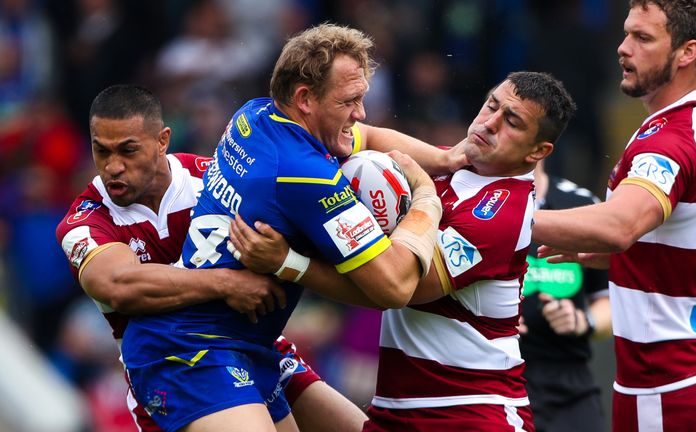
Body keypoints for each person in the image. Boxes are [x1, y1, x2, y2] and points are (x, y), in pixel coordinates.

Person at [120, 23, 465, 432]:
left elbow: (368, 136)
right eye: (350, 101)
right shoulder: (307, 177)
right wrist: (426, 199)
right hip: (191, 347)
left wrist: (447, 160)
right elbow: (393, 287)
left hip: (247, 344)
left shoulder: (255, 115)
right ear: (305, 98)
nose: (361, 113)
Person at [231, 71, 578, 431]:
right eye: (491, 105)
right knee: (275, 369)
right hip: (397, 411)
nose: (489, 123)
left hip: (471, 413)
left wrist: (289, 262)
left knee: (281, 374)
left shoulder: (501, 211)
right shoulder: (446, 163)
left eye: (512, 121)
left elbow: (399, 287)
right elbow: (363, 136)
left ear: (538, 151)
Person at [55, 84, 367, 432]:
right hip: (175, 362)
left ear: (162, 140)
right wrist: (226, 283)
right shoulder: (86, 220)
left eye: (128, 151)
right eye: (102, 151)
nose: (113, 167)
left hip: (259, 346)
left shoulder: (210, 177)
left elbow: (350, 142)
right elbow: (117, 285)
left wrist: (435, 166)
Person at [532, 1, 696, 430]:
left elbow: (618, 226)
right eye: (627, 33)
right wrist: (631, 257)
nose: (622, 47)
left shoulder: (668, 141)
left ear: (688, 52)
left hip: (666, 386)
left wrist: (505, 220)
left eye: (642, 38)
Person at [518, 160, 612, 432]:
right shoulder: (472, 202)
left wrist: (582, 322)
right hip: (492, 379)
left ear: (544, 146)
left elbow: (608, 301)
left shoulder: (581, 204)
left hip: (567, 381)